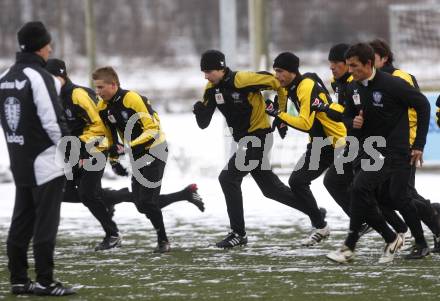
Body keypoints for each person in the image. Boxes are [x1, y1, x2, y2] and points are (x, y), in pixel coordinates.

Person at [194, 50, 328, 249]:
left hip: (259, 138)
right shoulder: (211, 88)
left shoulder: (243, 79)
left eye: (209, 71)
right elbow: (203, 123)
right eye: (203, 72)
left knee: (228, 178)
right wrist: (200, 112)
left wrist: (280, 115)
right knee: (271, 190)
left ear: (221, 68)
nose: (206, 76)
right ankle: (315, 213)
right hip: (245, 142)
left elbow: (277, 83)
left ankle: (238, 234)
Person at [326, 43, 430, 264]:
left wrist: (419, 144)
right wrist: (352, 122)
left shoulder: (393, 85)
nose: (350, 70)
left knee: (367, 190)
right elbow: (346, 116)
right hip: (369, 149)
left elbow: (422, 105)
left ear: (369, 64)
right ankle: (398, 237)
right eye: (348, 66)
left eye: (354, 66)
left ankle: (351, 245)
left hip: (395, 151)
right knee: (386, 197)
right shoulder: (352, 88)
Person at [0, 21, 75, 296]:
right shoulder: (40, 77)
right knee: (46, 224)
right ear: (39, 47)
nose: (50, 49)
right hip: (45, 162)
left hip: (20, 161)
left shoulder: (5, 76)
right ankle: (46, 280)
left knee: (21, 222)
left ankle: (19, 280)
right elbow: (53, 121)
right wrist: (71, 154)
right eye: (47, 44)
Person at [321, 43, 409, 239]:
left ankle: (411, 224)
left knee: (389, 195)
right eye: (330, 63)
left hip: (375, 146)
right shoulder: (341, 84)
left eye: (337, 63)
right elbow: (347, 116)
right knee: (342, 184)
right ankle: (378, 224)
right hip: (355, 144)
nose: (332, 67)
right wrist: (338, 114)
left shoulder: (364, 84)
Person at [265, 52, 347, 246]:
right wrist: (280, 118)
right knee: (297, 181)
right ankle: (320, 226)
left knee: (355, 187)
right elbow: (284, 99)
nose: (277, 76)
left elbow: (305, 124)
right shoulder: (292, 85)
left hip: (339, 142)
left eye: (280, 71)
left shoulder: (305, 86)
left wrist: (277, 114)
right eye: (275, 71)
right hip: (320, 144)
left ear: (293, 71)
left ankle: (389, 226)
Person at [369, 38, 439, 256]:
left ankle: (431, 227)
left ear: (384, 58)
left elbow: (418, 109)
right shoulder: (370, 81)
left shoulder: (401, 78)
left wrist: (414, 143)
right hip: (384, 147)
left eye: (373, 58)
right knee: (393, 195)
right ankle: (433, 218)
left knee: (401, 195)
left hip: (404, 145)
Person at [93, 66, 174, 253]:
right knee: (140, 204)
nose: (98, 92)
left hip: (156, 149)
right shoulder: (103, 107)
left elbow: (152, 130)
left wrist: (129, 146)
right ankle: (184, 196)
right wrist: (113, 160)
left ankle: (163, 241)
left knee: (147, 202)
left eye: (100, 87)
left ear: (113, 85)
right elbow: (111, 138)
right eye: (96, 88)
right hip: (136, 154)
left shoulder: (132, 99)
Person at [45, 58, 122, 251]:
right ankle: (108, 199)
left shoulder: (77, 94)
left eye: (52, 77)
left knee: (87, 194)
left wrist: (81, 148)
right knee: (64, 192)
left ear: (62, 76)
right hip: (74, 150)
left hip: (96, 147)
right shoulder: (52, 96)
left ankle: (112, 234)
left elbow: (100, 125)